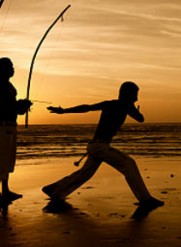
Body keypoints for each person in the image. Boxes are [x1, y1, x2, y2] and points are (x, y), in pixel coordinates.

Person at [43, 81, 164, 212]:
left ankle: (53, 189)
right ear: (127, 94)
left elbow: (140, 119)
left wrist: (133, 106)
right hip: (99, 147)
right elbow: (86, 108)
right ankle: (146, 200)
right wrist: (65, 111)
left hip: (97, 146)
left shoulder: (125, 107)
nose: (136, 97)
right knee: (129, 164)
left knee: (84, 174)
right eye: (135, 94)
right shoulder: (113, 105)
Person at [0, 57, 32, 205]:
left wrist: (22, 106)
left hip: (11, 125)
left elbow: (15, 110)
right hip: (3, 125)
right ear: (3, 69)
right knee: (2, 159)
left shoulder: (9, 86)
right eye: (10, 66)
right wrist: (16, 105)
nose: (13, 69)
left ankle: (5, 191)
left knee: (8, 159)